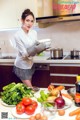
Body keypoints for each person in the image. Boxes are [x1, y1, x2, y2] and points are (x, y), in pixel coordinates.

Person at [10, 9, 51, 88]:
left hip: (30, 64)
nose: (30, 23)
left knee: (27, 90)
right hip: (21, 66)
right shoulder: (17, 35)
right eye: (27, 20)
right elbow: (24, 54)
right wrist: (36, 49)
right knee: (30, 89)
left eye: (32, 21)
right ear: (22, 20)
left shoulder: (34, 33)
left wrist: (43, 48)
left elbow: (35, 45)